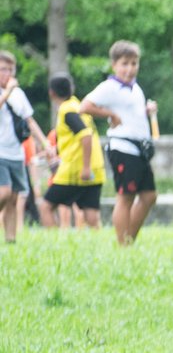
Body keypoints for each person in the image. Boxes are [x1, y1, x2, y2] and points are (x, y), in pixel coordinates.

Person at [81, 40, 160, 246]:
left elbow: (131, 113)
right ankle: (123, 245)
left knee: (149, 196)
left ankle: (128, 240)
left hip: (139, 150)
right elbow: (85, 106)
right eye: (125, 64)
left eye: (134, 63)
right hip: (124, 148)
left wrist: (146, 111)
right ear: (114, 65)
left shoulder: (135, 88)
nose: (130, 69)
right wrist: (110, 115)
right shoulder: (110, 87)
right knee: (126, 198)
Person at [0, 52, 51, 243]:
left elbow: (29, 120)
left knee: (14, 198)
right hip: (0, 152)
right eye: (3, 69)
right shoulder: (7, 93)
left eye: (10, 69)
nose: (7, 73)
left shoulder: (19, 94)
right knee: (4, 192)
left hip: (17, 153)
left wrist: (44, 142)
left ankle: (10, 239)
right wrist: (6, 93)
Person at [44, 75, 102, 230]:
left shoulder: (66, 110)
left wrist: (85, 167)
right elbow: (74, 138)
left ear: (51, 93)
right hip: (95, 167)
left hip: (76, 170)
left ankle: (54, 242)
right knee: (90, 211)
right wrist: (56, 150)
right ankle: (99, 242)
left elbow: (85, 135)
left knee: (45, 206)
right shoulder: (78, 105)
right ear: (72, 89)